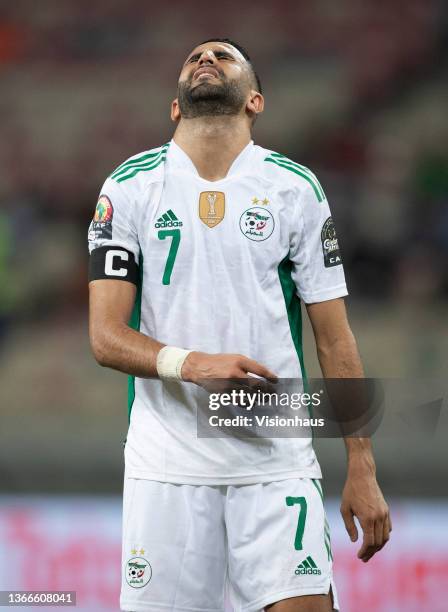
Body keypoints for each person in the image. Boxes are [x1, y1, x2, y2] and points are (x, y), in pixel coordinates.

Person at [88, 38, 391, 612]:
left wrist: (362, 464)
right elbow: (104, 337)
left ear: (255, 100)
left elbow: (335, 338)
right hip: (166, 468)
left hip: (276, 463)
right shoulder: (128, 187)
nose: (205, 59)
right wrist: (193, 364)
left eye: (223, 55)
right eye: (194, 57)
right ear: (175, 106)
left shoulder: (294, 188)